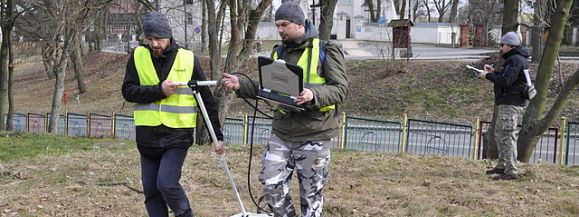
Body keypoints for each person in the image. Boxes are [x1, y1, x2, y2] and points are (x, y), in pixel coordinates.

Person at [222, 3, 348, 216]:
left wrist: (312, 94)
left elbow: (340, 89)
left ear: (300, 23)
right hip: (282, 132)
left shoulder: (326, 49)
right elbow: (269, 88)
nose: (280, 30)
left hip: (314, 133)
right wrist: (241, 84)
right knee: (271, 185)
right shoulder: (278, 51)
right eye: (277, 25)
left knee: (311, 196)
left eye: (285, 25)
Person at [122, 11, 224, 217]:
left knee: (166, 184)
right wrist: (159, 91)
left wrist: (217, 136)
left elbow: (205, 98)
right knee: (151, 192)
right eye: (149, 39)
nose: (154, 44)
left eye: (158, 39)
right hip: (147, 138)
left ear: (168, 36)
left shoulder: (187, 58)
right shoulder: (138, 56)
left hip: (177, 136)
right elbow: (128, 91)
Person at [477, 31, 530, 180]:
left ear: (510, 45)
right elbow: (508, 77)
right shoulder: (514, 60)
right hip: (508, 102)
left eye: (502, 45)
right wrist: (495, 72)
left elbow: (506, 82)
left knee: (507, 135)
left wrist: (487, 76)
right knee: (500, 133)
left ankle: (511, 171)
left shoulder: (516, 60)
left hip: (511, 103)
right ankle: (502, 166)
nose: (500, 48)